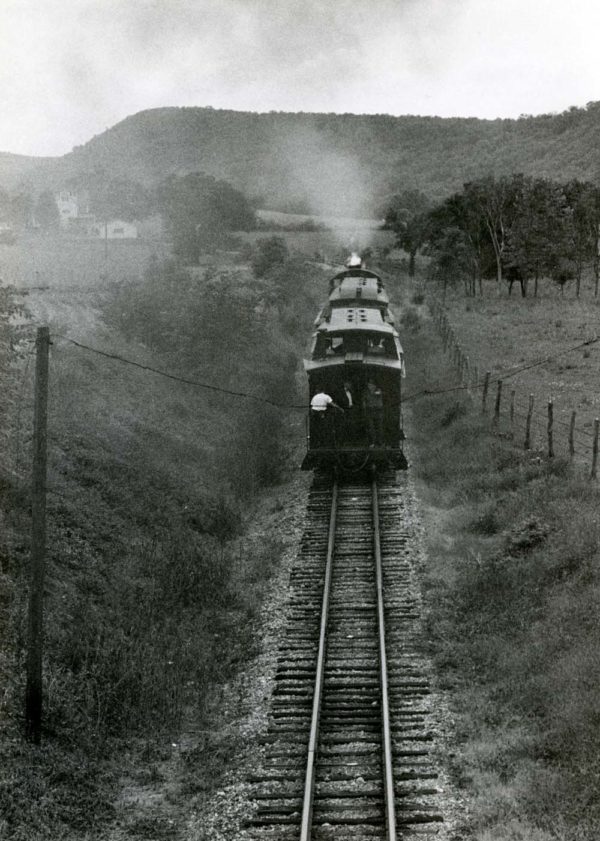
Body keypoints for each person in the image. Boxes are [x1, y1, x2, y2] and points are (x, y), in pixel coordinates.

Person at [364, 380, 384, 447]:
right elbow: (364, 401)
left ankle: (380, 442)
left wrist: (375, 393)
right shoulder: (366, 392)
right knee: (370, 427)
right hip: (369, 411)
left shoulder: (378, 390)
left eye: (371, 385)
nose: (369, 386)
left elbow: (379, 393)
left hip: (378, 411)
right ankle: (372, 442)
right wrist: (364, 408)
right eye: (368, 385)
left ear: (374, 385)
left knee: (379, 427)